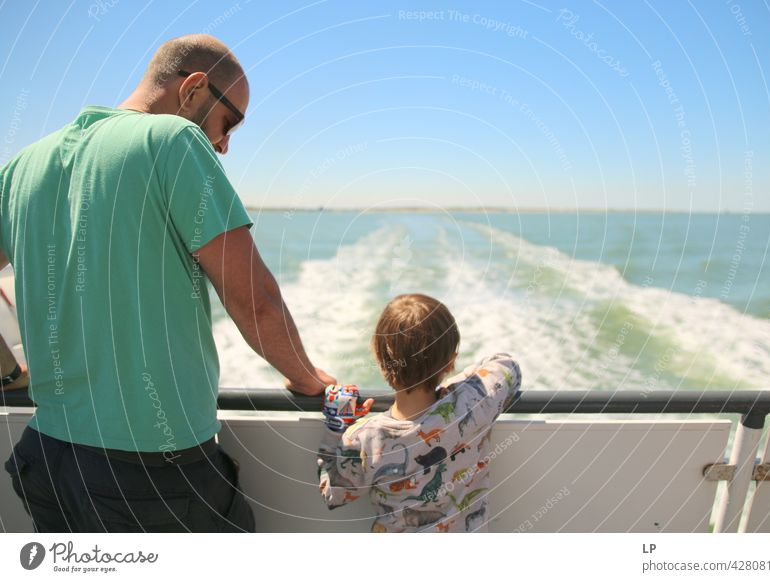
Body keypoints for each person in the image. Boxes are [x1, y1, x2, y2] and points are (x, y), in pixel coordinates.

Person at [1, 34, 334, 532]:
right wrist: (309, 380)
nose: (223, 144)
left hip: (47, 457)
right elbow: (253, 298)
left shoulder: (23, 166)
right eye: (230, 122)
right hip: (150, 472)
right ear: (194, 89)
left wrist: (9, 376)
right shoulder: (174, 141)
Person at [317, 293, 521, 532]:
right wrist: (454, 390)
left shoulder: (364, 438)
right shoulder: (473, 402)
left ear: (379, 358)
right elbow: (507, 364)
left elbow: (335, 495)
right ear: (450, 362)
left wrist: (336, 426)